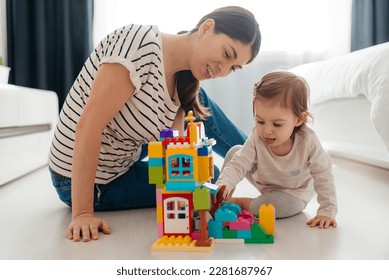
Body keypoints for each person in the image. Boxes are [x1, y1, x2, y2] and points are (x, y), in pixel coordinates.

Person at [48, 6, 261, 242]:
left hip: (124, 148)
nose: (223, 70)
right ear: (206, 28)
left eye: (233, 68)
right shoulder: (138, 46)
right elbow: (88, 125)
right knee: (210, 177)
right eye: (227, 54)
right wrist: (82, 213)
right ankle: (261, 158)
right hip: (84, 178)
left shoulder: (184, 77)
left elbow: (176, 154)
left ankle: (259, 158)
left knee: (206, 171)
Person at [217, 71, 338, 229]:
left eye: (277, 124)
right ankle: (220, 198)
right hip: (265, 182)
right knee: (236, 152)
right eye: (260, 121)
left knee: (273, 207)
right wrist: (223, 184)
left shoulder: (308, 142)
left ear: (298, 119)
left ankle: (243, 203)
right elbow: (239, 163)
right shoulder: (257, 137)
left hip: (293, 193)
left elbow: (323, 175)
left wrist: (327, 211)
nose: (267, 131)